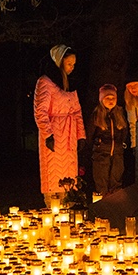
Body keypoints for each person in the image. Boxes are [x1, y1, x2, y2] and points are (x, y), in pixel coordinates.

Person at [33, 44, 85, 203]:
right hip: (54, 136)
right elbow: (40, 111)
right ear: (59, 62)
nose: (72, 68)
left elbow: (76, 111)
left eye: (74, 64)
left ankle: (69, 203)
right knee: (54, 174)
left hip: (69, 137)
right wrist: (48, 134)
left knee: (69, 175)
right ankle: (53, 205)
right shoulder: (45, 82)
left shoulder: (70, 83)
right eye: (69, 64)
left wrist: (81, 135)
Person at [89, 84, 128, 196]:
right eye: (107, 98)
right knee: (101, 180)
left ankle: (115, 206)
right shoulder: (97, 115)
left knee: (116, 179)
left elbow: (124, 131)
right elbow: (90, 133)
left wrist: (122, 144)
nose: (111, 101)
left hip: (117, 152)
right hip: (101, 153)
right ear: (102, 100)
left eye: (113, 98)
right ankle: (102, 206)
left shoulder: (119, 113)